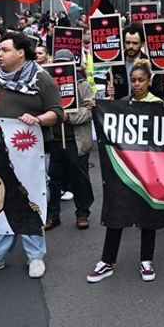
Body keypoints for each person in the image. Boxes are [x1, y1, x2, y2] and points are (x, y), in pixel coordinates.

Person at [0, 34, 63, 280]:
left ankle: (35, 256)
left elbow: (57, 112)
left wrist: (38, 120)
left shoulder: (41, 79)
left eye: (5, 50)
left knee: (30, 199)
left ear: (21, 53)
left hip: (28, 153)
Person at [87, 64, 164, 283]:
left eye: (141, 80)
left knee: (147, 213)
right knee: (116, 210)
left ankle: (146, 260)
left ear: (149, 81)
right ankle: (107, 261)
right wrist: (98, 107)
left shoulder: (158, 106)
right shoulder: (120, 106)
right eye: (134, 80)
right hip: (123, 168)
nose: (137, 84)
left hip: (148, 170)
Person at [45, 50, 95, 231]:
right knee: (54, 179)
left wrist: (68, 117)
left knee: (80, 178)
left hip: (76, 140)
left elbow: (89, 111)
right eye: (58, 63)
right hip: (55, 139)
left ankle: (83, 213)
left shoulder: (82, 85)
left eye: (65, 63)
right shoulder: (48, 85)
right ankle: (53, 215)